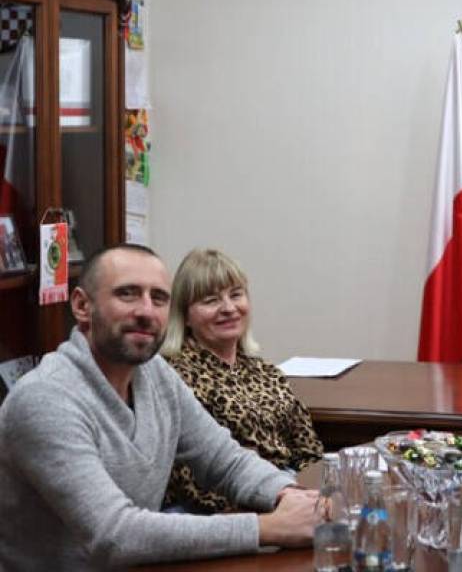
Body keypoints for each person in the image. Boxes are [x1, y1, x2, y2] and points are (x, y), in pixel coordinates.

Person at [0, 244, 321, 569]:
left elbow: (224, 460)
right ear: (83, 306)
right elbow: (114, 534)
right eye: (127, 294)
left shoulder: (154, 373)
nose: (146, 311)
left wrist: (293, 497)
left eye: (159, 298)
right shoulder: (45, 398)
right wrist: (267, 528)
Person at [160, 248, 323, 513]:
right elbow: (191, 485)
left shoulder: (264, 370)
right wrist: (278, 505)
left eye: (236, 295)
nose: (229, 308)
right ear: (186, 316)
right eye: (211, 300)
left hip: (287, 491)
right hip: (230, 511)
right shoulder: (175, 376)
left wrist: (309, 493)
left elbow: (309, 449)